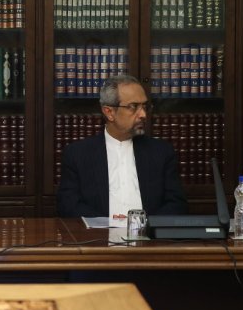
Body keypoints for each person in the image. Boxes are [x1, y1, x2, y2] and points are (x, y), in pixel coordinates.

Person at [57, 74, 188, 218]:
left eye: (144, 106)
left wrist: (143, 223)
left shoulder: (161, 152)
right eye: (133, 107)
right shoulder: (78, 154)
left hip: (148, 232)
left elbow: (177, 204)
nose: (143, 114)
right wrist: (108, 224)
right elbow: (68, 205)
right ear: (109, 112)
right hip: (98, 232)